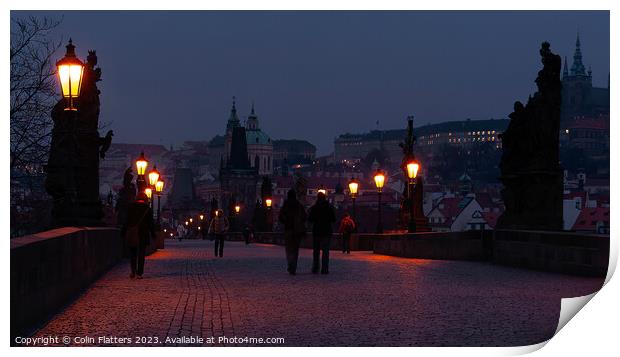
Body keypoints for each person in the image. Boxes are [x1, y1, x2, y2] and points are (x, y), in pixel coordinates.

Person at [122, 192, 155, 279]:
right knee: (141, 254)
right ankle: (139, 273)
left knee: (133, 253)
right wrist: (153, 234)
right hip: (143, 234)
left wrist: (123, 232)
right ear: (145, 199)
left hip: (133, 233)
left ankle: (133, 271)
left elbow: (126, 221)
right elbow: (151, 224)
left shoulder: (130, 207)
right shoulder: (148, 209)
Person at [278, 189, 307, 275]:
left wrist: (286, 221)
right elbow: (305, 217)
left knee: (289, 249)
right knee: (295, 249)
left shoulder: (286, 205)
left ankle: (290, 263)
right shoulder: (299, 205)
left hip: (288, 229)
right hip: (297, 230)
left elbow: (280, 217)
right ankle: (293, 265)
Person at [308, 192, 336, 274]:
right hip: (326, 231)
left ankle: (315, 267)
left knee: (316, 251)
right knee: (325, 251)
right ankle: (325, 268)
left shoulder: (314, 208)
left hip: (317, 231)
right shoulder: (329, 207)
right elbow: (333, 219)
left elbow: (310, 219)